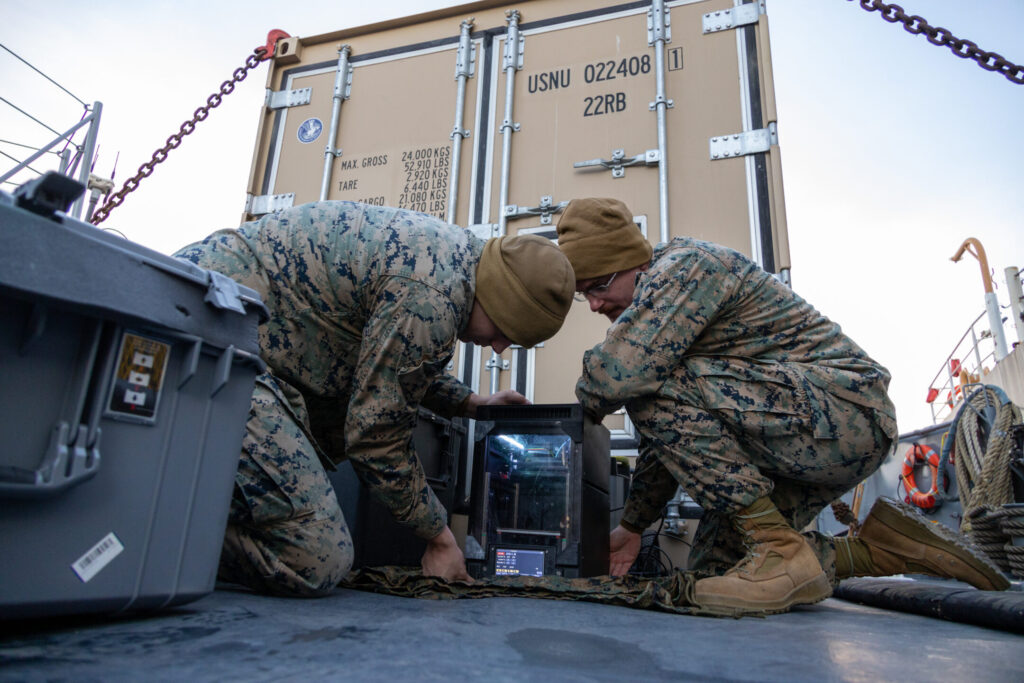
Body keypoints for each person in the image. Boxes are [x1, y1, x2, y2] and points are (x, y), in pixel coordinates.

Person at [555, 197, 1009, 614]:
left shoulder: (685, 268)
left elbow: (619, 377)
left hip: (847, 412)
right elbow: (670, 433)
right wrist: (633, 526)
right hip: (801, 429)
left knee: (637, 379)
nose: (594, 305)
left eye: (598, 286)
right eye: (584, 294)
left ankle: (779, 548)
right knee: (715, 576)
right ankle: (880, 549)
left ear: (629, 261)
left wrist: (571, 418)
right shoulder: (658, 319)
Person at [176, 200, 574, 596]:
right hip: (207, 336)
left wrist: (470, 404)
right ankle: (154, 524)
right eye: (506, 330)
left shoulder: (456, 261)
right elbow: (375, 439)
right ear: (499, 296)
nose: (500, 348)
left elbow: (393, 364)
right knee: (315, 557)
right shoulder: (431, 296)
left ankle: (178, 500)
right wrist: (439, 536)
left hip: (230, 331)